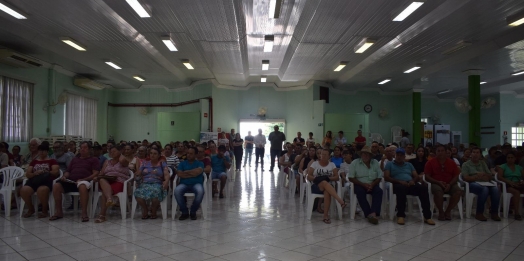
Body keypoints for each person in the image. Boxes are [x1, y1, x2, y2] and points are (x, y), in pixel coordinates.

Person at [384, 148, 435, 225]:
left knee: (423, 189)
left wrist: (413, 181)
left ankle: (427, 216)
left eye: (401, 155)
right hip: (397, 183)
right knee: (401, 189)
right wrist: (399, 181)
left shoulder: (409, 165)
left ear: (404, 157)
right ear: (395, 156)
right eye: (398, 155)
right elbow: (386, 177)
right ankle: (401, 216)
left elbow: (416, 176)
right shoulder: (390, 164)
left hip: (410, 184)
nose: (399, 157)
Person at [51, 142, 100, 222]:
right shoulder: (74, 159)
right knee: (56, 186)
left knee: (82, 186)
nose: (82, 149)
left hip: (85, 181)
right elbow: (68, 171)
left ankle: (84, 213)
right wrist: (64, 176)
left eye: (84, 148)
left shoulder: (94, 159)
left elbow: (96, 173)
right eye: (81, 148)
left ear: (90, 149)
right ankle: (59, 212)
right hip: (71, 181)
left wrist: (85, 179)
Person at [307, 148, 346, 224]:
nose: (323, 156)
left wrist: (328, 178)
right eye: (322, 154)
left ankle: (325, 216)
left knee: (327, 190)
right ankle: (340, 201)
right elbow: (309, 176)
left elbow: (337, 177)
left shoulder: (332, 164)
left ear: (329, 156)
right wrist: (316, 178)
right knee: (324, 183)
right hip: (316, 185)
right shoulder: (315, 164)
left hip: (329, 186)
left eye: (325, 155)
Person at [424, 145, 462, 221]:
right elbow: (427, 177)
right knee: (438, 192)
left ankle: (448, 211)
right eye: (438, 151)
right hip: (436, 183)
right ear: (435, 152)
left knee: (458, 191)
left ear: (446, 152)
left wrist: (450, 184)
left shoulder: (452, 163)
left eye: (442, 151)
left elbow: (456, 176)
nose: (440, 152)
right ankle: (441, 212)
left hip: (450, 183)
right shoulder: (430, 162)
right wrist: (438, 182)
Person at [20, 144, 59, 218]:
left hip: (46, 181)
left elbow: (55, 172)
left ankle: (44, 210)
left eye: (43, 151)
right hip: (34, 180)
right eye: (40, 151)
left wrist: (45, 171)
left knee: (42, 190)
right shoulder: (34, 162)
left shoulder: (52, 161)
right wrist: (34, 173)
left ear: (47, 152)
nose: (41, 152)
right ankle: (31, 208)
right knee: (24, 190)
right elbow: (28, 174)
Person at [461, 147, 501, 221]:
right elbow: (466, 177)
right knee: (484, 189)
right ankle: (479, 213)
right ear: (471, 154)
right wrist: (476, 176)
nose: (475, 154)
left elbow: (489, 175)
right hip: (472, 183)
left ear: (480, 155)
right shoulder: (466, 164)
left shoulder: (483, 163)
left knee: (495, 189)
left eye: (477, 153)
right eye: (474, 152)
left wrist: (485, 176)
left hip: (485, 182)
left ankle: (494, 213)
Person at [93, 145, 130, 223]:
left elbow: (123, 160)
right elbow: (102, 173)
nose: (112, 153)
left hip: (119, 181)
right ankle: (110, 199)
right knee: (102, 179)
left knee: (104, 192)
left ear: (119, 152)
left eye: (114, 151)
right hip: (106, 180)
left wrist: (120, 154)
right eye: (110, 152)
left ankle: (102, 216)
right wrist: (97, 177)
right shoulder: (107, 162)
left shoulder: (123, 160)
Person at [348, 146, 383, 224]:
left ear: (371, 156)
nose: (365, 156)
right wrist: (363, 184)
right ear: (361, 155)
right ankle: (368, 214)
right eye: (363, 154)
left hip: (372, 184)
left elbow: (379, 177)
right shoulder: (355, 163)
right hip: (359, 184)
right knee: (360, 192)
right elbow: (351, 177)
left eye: (367, 154)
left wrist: (372, 184)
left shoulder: (375, 163)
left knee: (379, 191)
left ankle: (373, 213)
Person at [134, 147, 169, 219]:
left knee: (156, 191)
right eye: (151, 153)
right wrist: (137, 177)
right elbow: (139, 173)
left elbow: (166, 174)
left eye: (155, 154)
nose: (152, 155)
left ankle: (154, 209)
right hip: (145, 183)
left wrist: (166, 181)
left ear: (159, 155)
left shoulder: (162, 163)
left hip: (157, 183)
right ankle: (145, 209)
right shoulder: (144, 163)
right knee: (137, 193)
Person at [174, 147, 205, 220]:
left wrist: (185, 172)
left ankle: (193, 211)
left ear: (195, 155)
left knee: (200, 191)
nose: (188, 155)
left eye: (191, 154)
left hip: (196, 183)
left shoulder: (200, 163)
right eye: (188, 153)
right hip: (184, 184)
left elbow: (198, 172)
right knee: (177, 191)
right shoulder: (182, 163)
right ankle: (184, 211)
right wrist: (192, 173)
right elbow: (179, 174)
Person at [497, 152, 524, 220]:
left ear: (515, 159)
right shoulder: (502, 167)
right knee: (516, 192)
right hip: (507, 185)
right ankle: (516, 213)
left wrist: (522, 181)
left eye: (512, 158)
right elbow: (499, 177)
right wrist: (509, 181)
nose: (510, 159)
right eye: (508, 158)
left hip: (518, 184)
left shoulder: (519, 168)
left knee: (519, 189)